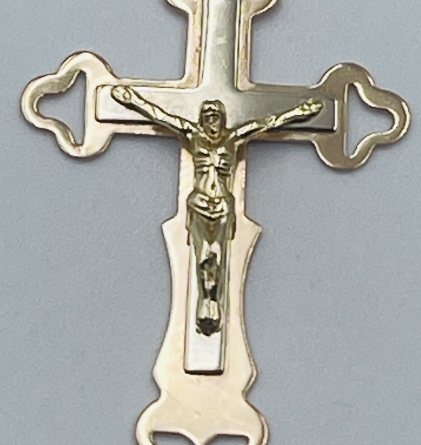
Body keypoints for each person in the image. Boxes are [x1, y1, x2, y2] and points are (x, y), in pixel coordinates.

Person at [111, 87, 321, 335]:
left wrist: (300, 111)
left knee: (218, 257)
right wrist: (133, 100)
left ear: (223, 119)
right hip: (199, 203)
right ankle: (203, 304)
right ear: (201, 119)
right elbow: (160, 116)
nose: (212, 122)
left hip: (222, 205)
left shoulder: (234, 139)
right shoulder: (192, 135)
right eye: (207, 117)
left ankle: (215, 304)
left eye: (216, 117)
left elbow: (269, 122)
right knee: (202, 257)